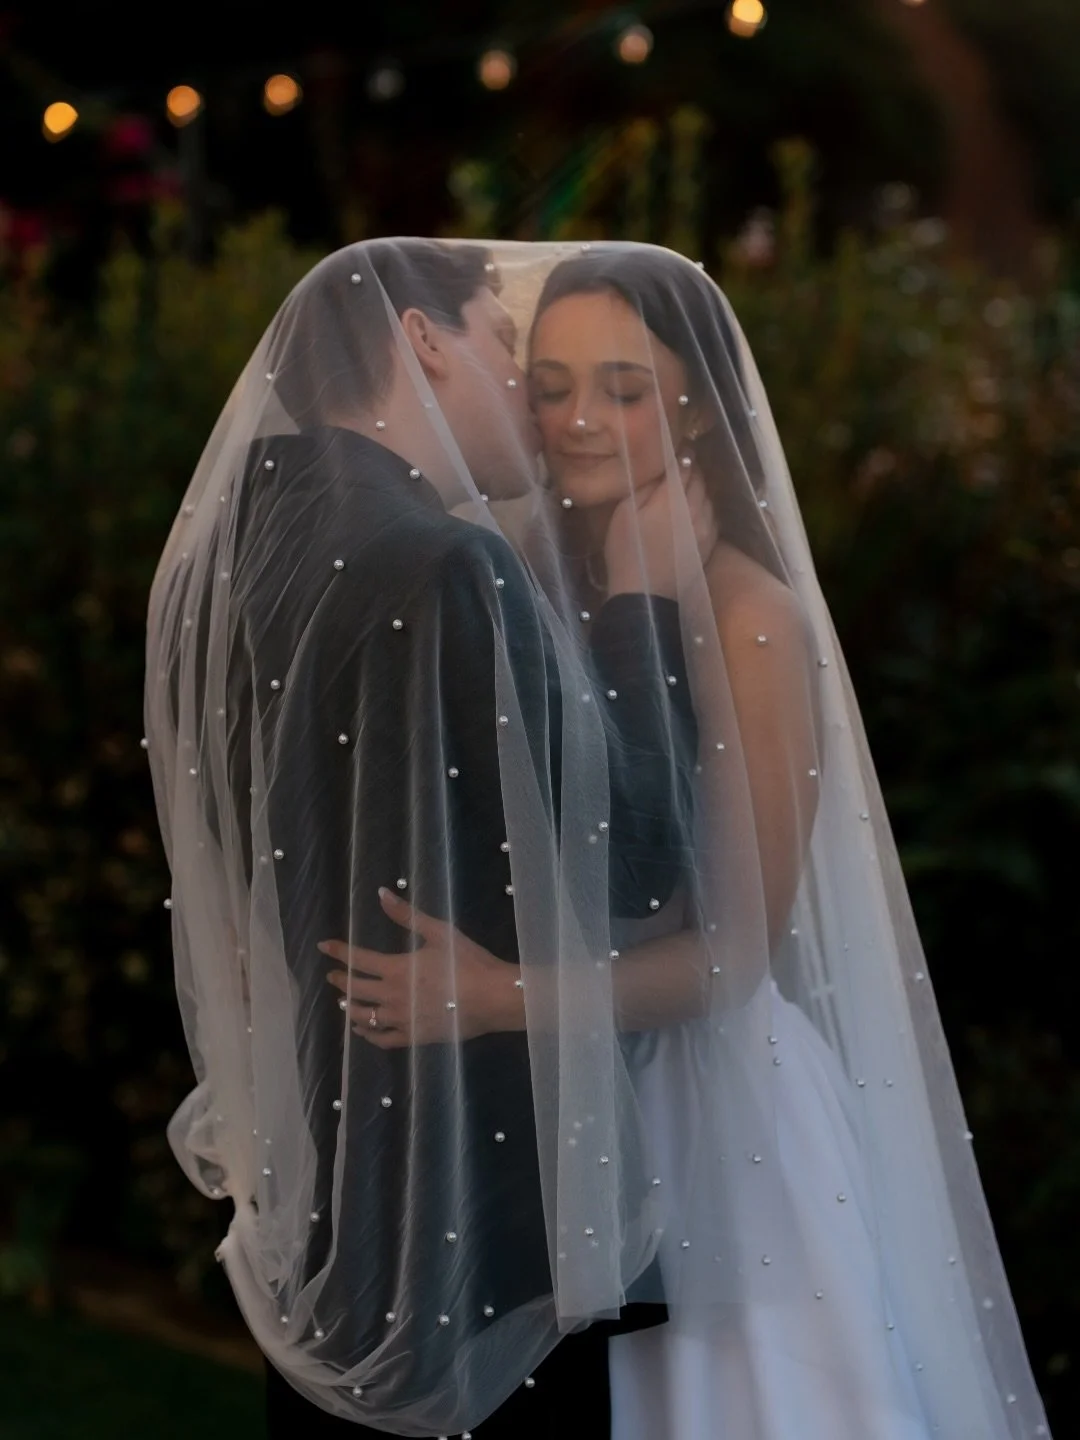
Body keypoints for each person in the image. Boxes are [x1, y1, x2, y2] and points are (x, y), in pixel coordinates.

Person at [320, 243, 1052, 1439]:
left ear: (698, 403)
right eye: (550, 384)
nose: (577, 421)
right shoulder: (497, 568)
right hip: (551, 1110)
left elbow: (732, 958)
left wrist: (501, 995)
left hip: (712, 1122)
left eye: (625, 388)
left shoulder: (750, 615)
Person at [143, 239, 714, 1438]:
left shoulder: (252, 529)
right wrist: (647, 600)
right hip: (478, 1206)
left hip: (330, 1178)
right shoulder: (446, 561)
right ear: (423, 341)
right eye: (504, 348)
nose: (527, 392)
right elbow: (641, 854)